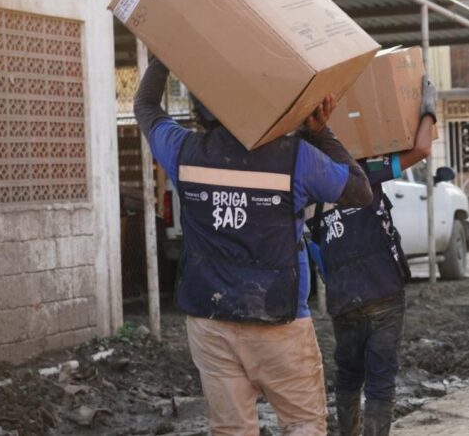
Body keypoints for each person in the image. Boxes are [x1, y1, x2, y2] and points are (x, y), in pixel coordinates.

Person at [133, 55, 373, 436]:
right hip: (278, 320)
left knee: (231, 430)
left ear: (200, 109)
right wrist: (320, 132)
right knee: (304, 424)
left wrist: (165, 54)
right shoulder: (297, 158)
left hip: (209, 319)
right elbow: (360, 191)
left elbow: (145, 106)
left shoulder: (182, 151)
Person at [306, 78, 438, 436]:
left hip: (343, 296)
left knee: (348, 376)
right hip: (382, 289)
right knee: (381, 380)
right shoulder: (363, 167)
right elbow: (423, 148)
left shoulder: (303, 183)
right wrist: (428, 104)